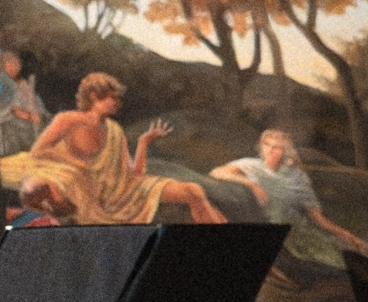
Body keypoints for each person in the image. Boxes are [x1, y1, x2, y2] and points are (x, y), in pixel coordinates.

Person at [23, 71, 227, 226]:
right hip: (101, 197)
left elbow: (135, 173)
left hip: (125, 189)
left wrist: (143, 142)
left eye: (118, 98)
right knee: (194, 192)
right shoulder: (68, 119)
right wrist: (78, 164)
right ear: (94, 96)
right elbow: (39, 150)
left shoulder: (114, 129)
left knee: (194, 191)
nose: (117, 103)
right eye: (112, 97)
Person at [211, 127, 366, 256]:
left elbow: (318, 219)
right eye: (267, 145)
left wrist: (346, 234)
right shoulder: (250, 165)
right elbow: (217, 172)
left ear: (284, 151)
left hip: (297, 231)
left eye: (277, 147)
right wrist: (251, 184)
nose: (271, 150)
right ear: (261, 147)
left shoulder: (297, 178)